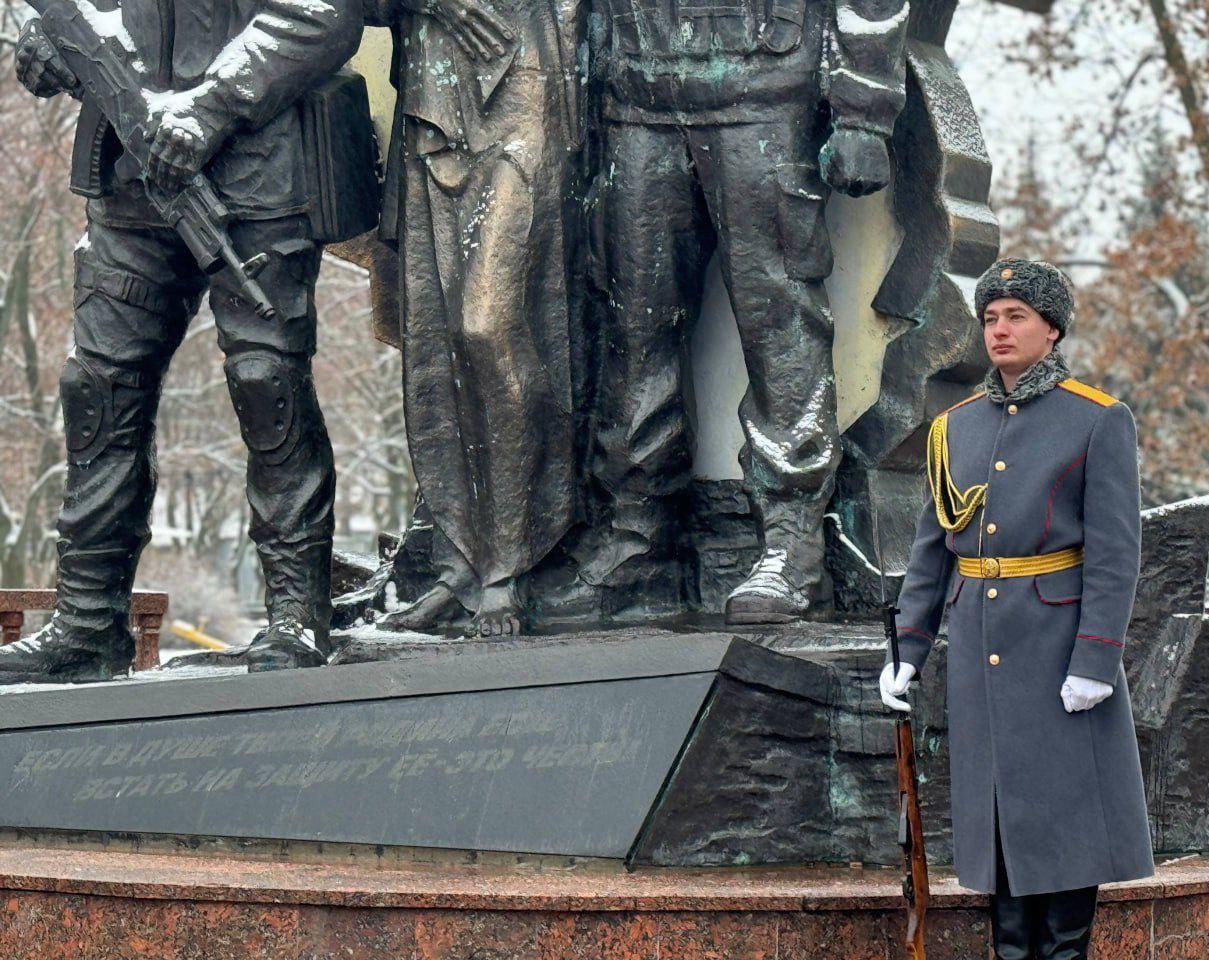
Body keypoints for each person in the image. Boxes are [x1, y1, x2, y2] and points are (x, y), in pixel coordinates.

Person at [5, 0, 365, 680]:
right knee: (97, 391)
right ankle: (87, 622)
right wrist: (46, 45)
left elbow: (325, 12)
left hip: (259, 175)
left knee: (268, 385)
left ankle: (296, 614)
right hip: (128, 173)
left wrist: (211, 106)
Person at [555, 0, 910, 624]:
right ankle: (637, 536)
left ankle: (792, 541)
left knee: (778, 324)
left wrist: (864, 109)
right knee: (631, 325)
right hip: (634, 90)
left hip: (764, 88)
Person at [879, 257, 1155, 957]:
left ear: (1052, 329)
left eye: (1016, 317)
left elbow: (1115, 553)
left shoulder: (1097, 419)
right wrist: (908, 648)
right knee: (998, 825)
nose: (999, 330)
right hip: (980, 652)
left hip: (1058, 650)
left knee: (1067, 826)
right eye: (990, 318)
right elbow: (933, 549)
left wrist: (1096, 659)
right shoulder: (954, 428)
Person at [362, 0, 579, 637]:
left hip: (526, 88)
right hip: (432, 87)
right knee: (433, 341)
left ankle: (510, 561)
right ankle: (457, 562)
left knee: (487, 327)